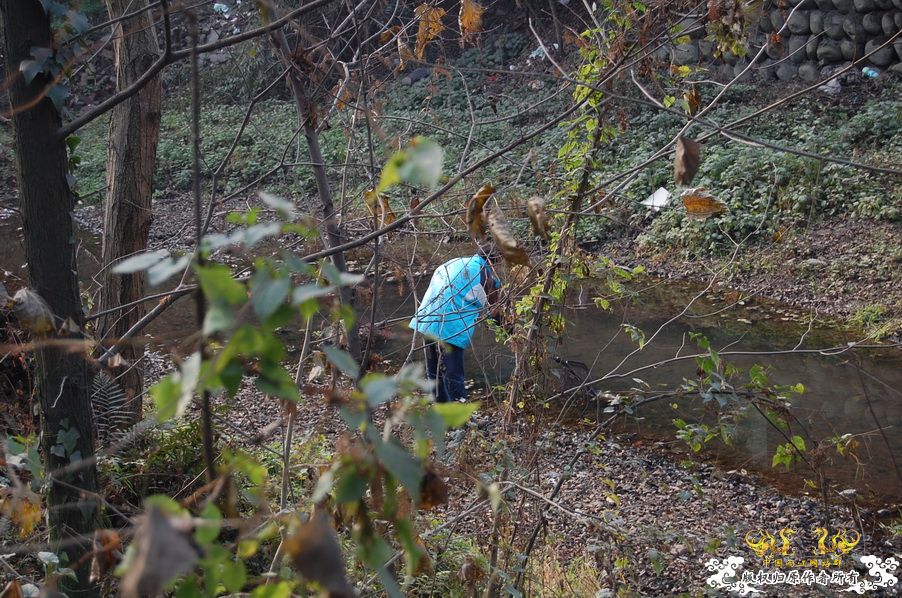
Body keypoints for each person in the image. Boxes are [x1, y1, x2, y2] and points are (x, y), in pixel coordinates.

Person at [409, 243, 501, 402]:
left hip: (427, 320)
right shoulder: (484, 275)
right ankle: (460, 420)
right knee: (454, 375)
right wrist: (511, 332)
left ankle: (442, 411)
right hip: (450, 328)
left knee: (434, 371)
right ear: (496, 260)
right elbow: (496, 311)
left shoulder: (455, 262)